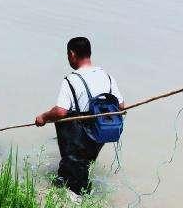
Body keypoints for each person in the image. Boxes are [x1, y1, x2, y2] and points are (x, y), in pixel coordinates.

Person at [34, 37, 124, 195]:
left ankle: (75, 195)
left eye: (68, 55)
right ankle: (83, 193)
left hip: (80, 134)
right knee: (85, 164)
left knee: (72, 173)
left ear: (72, 54)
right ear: (89, 53)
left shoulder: (71, 80)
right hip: (100, 134)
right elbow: (121, 106)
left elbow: (60, 112)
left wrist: (43, 117)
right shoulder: (107, 76)